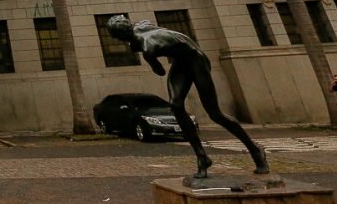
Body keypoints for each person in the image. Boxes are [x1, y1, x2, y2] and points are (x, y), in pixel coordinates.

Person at [106, 16, 267, 179]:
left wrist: (149, 59)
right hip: (180, 62)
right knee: (175, 105)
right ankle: (202, 157)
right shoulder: (140, 27)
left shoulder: (149, 48)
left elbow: (160, 71)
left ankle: (254, 150)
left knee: (215, 114)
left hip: (197, 61)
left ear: (120, 36)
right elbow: (148, 25)